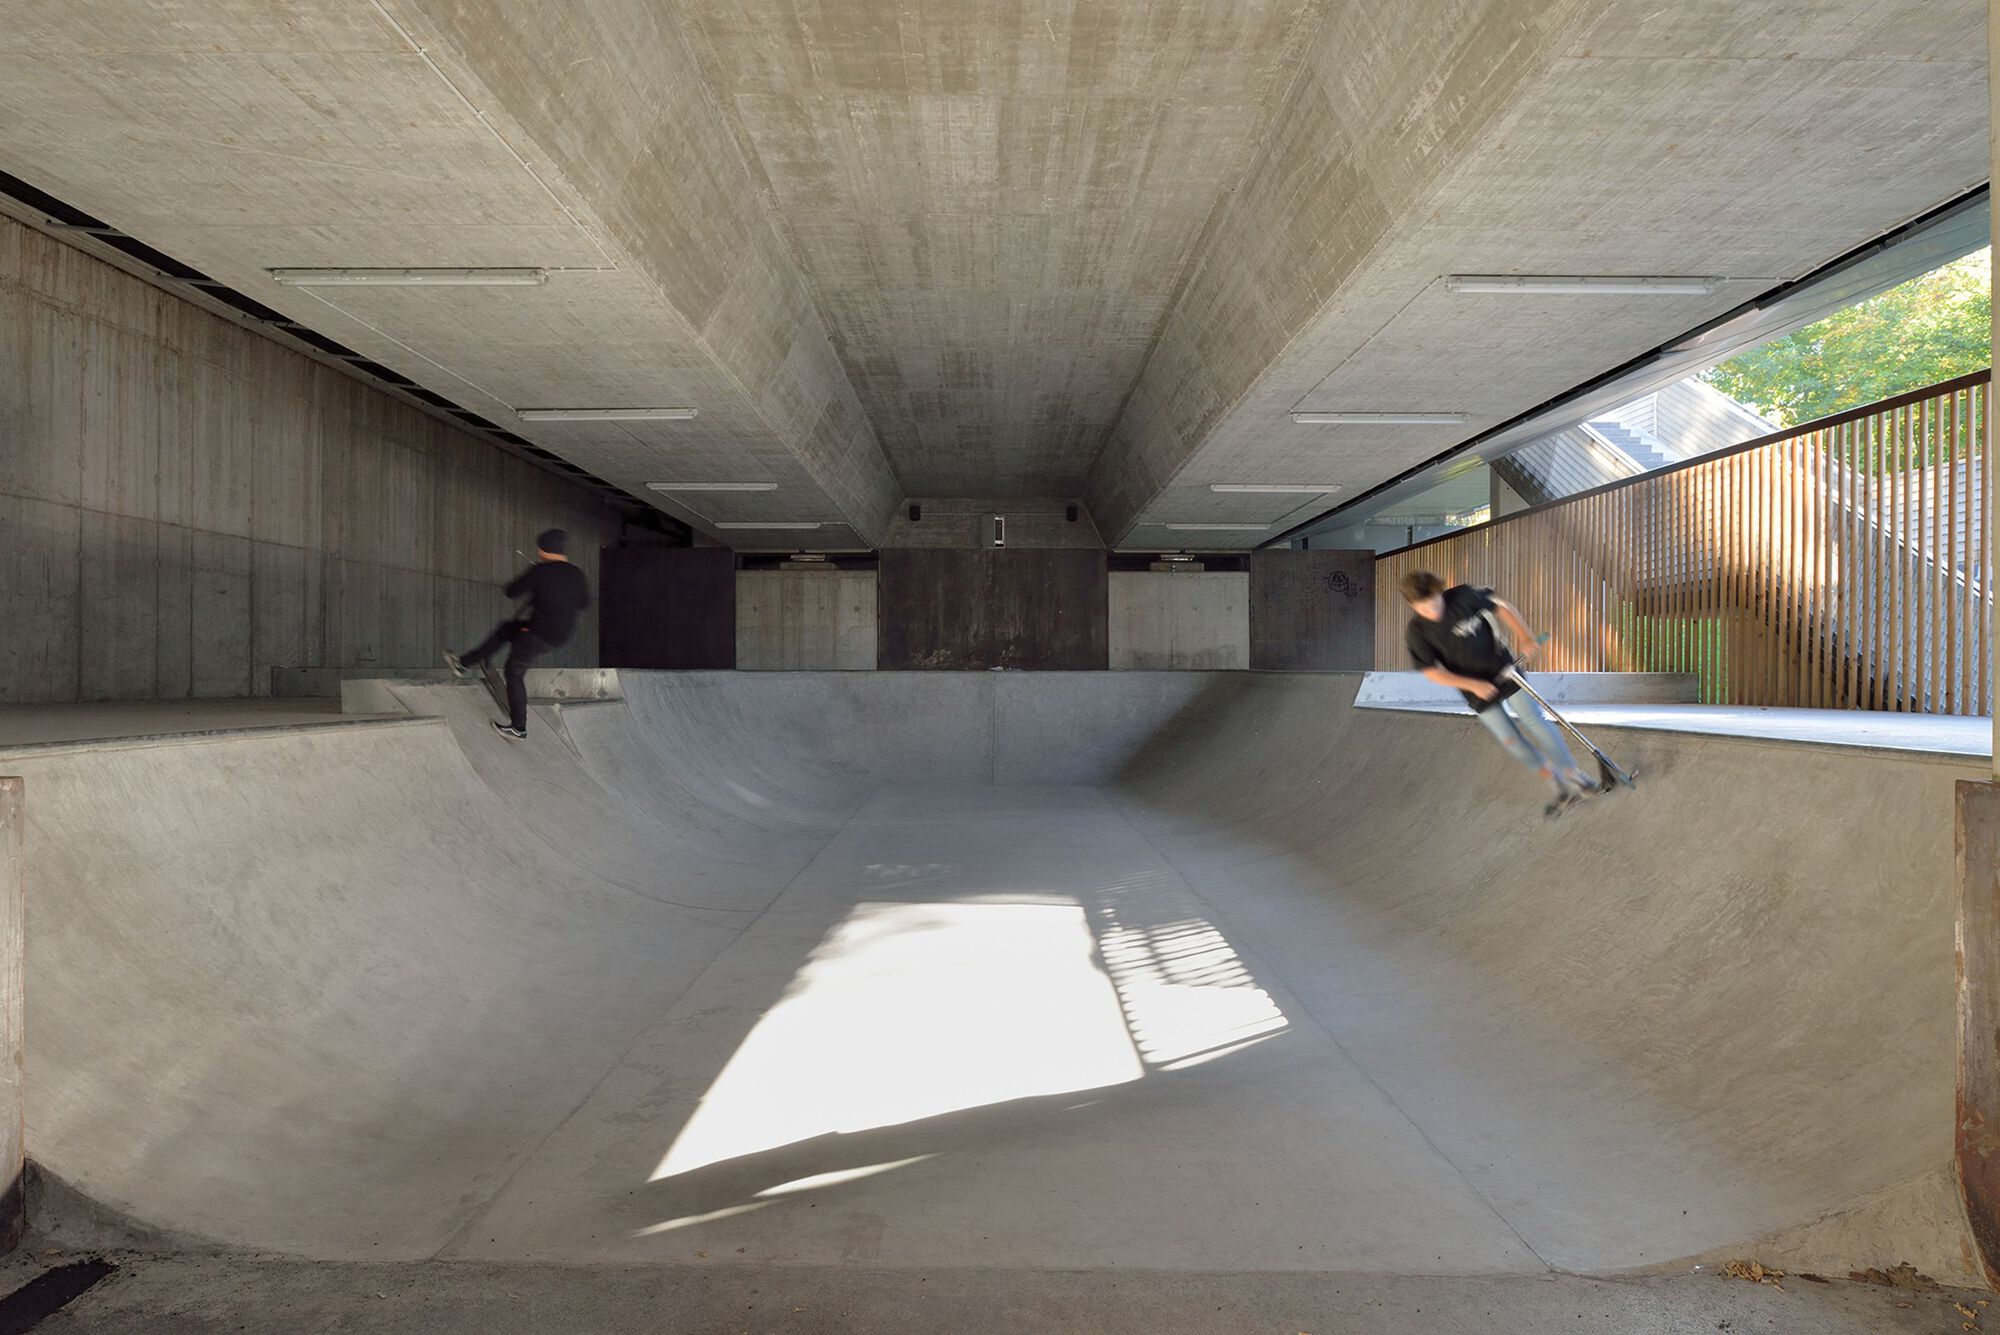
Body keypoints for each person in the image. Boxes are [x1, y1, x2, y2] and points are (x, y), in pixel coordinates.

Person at [1400, 570, 1597, 815]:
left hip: (1503, 669)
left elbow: (1500, 607)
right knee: (1510, 739)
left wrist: (1524, 635)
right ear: (1412, 606)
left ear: (1440, 592)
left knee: (1534, 719)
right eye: (1424, 609)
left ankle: (1573, 774)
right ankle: (1554, 780)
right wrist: (1473, 685)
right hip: (1474, 688)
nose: (1433, 612)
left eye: (1434, 603)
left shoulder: (1463, 596)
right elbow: (1431, 672)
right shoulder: (1417, 632)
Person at [445, 529, 590, 741]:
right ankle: (464, 663)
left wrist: (537, 580)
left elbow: (511, 591)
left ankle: (518, 727)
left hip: (537, 633)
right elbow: (583, 602)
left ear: (542, 549)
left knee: (514, 672)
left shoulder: (540, 571)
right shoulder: (576, 574)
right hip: (560, 635)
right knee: (506, 629)